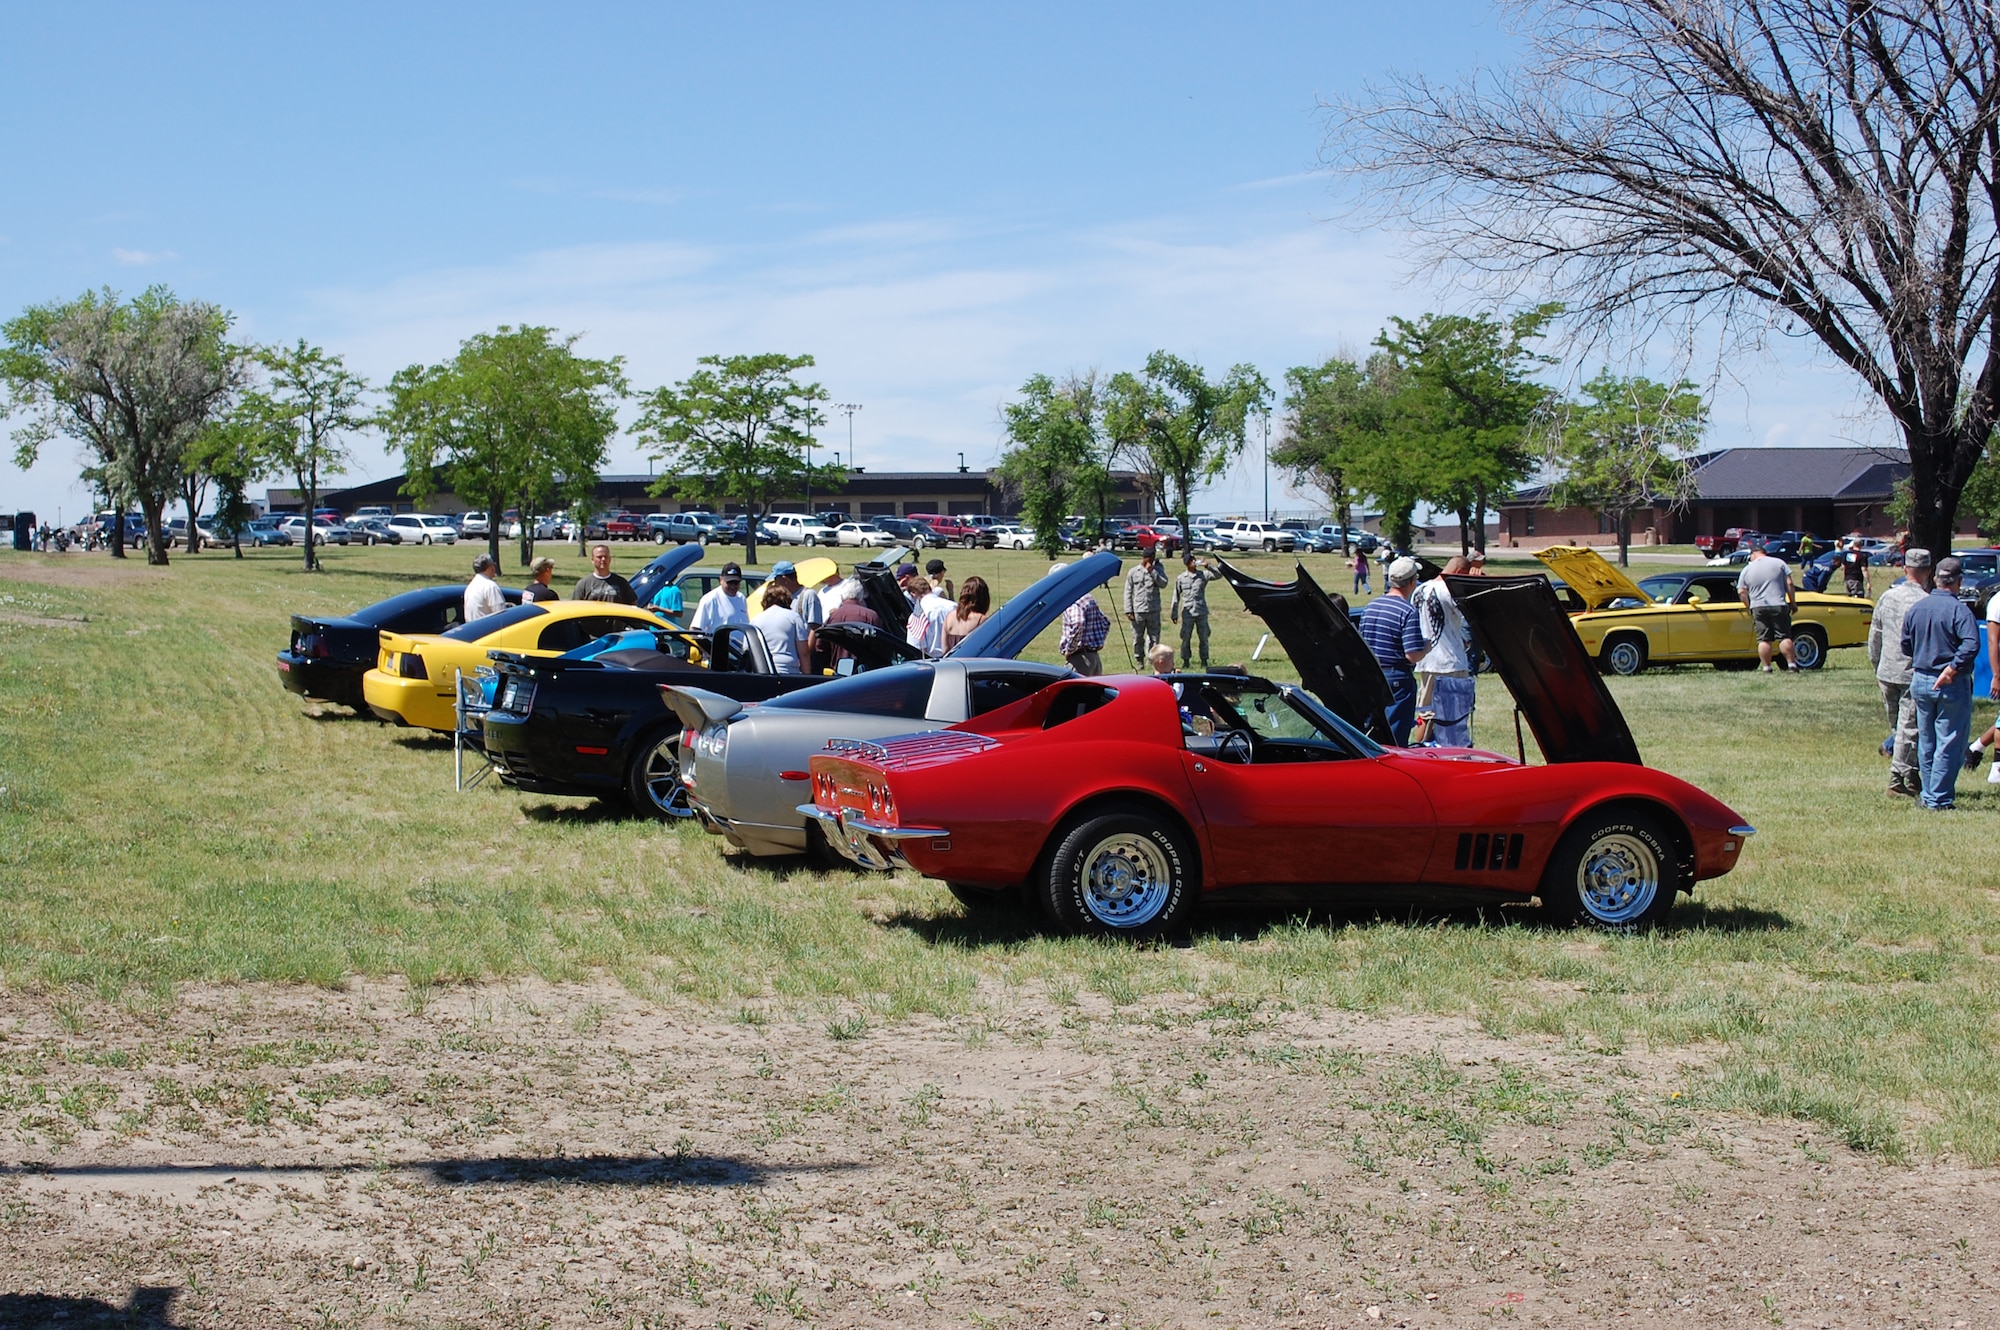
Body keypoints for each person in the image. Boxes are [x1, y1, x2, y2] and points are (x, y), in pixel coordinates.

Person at [1902, 556, 1980, 810]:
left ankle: (1928, 794)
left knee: (1928, 741)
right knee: (1949, 740)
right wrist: (1953, 668)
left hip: (1921, 679)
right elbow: (1971, 643)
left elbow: (1905, 645)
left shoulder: (1917, 608)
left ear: (1935, 579)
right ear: (1959, 581)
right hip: (1950, 682)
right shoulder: (1960, 610)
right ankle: (1939, 799)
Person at [1869, 547, 1930, 798]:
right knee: (1909, 728)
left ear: (1905, 569)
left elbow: (1875, 635)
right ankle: (1896, 779)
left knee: (1899, 727)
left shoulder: (1887, 597)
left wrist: (1877, 665)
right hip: (1910, 672)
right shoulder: (1926, 602)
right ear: (1928, 572)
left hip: (1887, 670)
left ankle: (1913, 776)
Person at [1408, 557, 1476, 747]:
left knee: (1426, 712)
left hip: (1426, 658)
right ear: (1461, 572)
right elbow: (1470, 617)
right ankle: (1453, 751)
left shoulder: (1419, 590)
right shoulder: (1450, 591)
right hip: (1450, 659)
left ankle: (1417, 748)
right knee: (1454, 715)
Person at [1359, 557, 1422, 744]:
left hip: (1371, 676)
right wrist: (1427, 646)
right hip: (1397, 680)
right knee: (1394, 740)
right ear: (1412, 582)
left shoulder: (1371, 606)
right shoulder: (1408, 611)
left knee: (1371, 736)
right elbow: (1412, 655)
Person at [1736, 544, 1799, 672]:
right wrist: (1792, 602)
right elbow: (1790, 583)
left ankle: (1766, 667)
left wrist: (1749, 606)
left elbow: (1741, 591)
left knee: (1764, 639)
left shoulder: (1747, 569)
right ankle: (1792, 664)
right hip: (1778, 604)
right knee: (1784, 636)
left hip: (1758, 606)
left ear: (1753, 554)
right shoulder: (1779, 563)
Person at [1169, 552, 1220, 672]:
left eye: (1194, 560)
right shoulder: (1181, 578)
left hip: (1201, 611)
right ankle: (1186, 660)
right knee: (1186, 637)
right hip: (1188, 613)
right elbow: (1175, 596)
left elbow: (1219, 575)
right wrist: (1174, 613)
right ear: (1187, 563)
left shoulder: (1203, 575)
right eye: (1192, 561)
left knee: (1204, 637)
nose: (1194, 562)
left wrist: (1208, 566)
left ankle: (1204, 659)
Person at [1056, 570, 1111, 676]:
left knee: (1074, 692)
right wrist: (1099, 641)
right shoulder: (1087, 597)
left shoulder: (1071, 600)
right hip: (1094, 658)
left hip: (1080, 659)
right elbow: (1105, 622)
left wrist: (1070, 649)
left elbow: (1078, 623)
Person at [809, 591, 881, 670]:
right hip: (867, 672)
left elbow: (820, 646)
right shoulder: (871, 616)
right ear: (861, 598)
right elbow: (881, 646)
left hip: (838, 672)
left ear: (842, 598)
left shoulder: (833, 617)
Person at [1123, 546, 1169, 668]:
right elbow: (1128, 591)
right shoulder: (1133, 572)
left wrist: (1153, 572)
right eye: (1151, 557)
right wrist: (1128, 610)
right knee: (1138, 638)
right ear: (1145, 557)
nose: (1153, 560)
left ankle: (1151, 660)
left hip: (1153, 609)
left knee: (1154, 637)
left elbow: (1164, 584)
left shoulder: (1158, 569)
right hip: (1138, 610)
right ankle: (1139, 660)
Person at [752, 582, 809, 674]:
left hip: (762, 671)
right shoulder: (794, 618)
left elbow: (747, 649)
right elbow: (804, 652)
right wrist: (807, 677)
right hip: (789, 671)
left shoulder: (756, 620)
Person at [690, 562, 750, 633]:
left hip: (740, 644)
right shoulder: (710, 599)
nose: (733, 586)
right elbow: (695, 630)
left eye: (736, 583)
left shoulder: (741, 598)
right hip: (718, 644)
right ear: (721, 580)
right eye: (729, 583)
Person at [572, 544, 637, 605]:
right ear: (592, 560)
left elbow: (633, 605)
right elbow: (575, 607)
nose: (603, 559)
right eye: (599, 557)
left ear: (610, 559)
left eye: (605, 557)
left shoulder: (621, 582)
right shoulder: (583, 584)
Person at [906, 576, 954, 656]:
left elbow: (916, 647)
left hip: (933, 662)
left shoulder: (917, 615)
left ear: (913, 593)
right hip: (958, 659)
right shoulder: (953, 606)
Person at [941, 576, 991, 652]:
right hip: (972, 663)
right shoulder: (981, 620)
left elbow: (944, 650)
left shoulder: (949, 617)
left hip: (951, 662)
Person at [464, 553, 507, 622]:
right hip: (489, 630)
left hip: (472, 629)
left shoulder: (470, 586)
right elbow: (501, 614)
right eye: (493, 565)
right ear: (490, 567)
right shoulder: (490, 586)